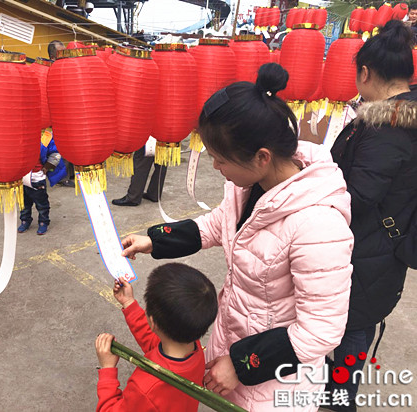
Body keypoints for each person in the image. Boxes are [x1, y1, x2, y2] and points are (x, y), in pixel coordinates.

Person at [119, 64, 354, 411]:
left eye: (220, 160)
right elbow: (217, 225)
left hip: (277, 380)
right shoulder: (251, 185)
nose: (216, 169)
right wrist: (154, 241)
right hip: (234, 341)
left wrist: (242, 365)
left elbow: (320, 329)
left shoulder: (319, 226)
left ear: (262, 157)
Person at [327, 20, 417, 412]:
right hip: (384, 242)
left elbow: (359, 194)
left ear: (365, 72)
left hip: (368, 248)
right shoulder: (401, 116)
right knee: (356, 323)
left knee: (352, 326)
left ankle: (339, 401)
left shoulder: (387, 127)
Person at [94, 263, 218, 411]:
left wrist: (107, 369)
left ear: (152, 322)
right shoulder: (193, 347)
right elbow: (152, 341)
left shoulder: (145, 388)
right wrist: (129, 303)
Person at [18, 129, 66, 235]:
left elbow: (55, 154)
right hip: (21, 177)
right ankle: (25, 220)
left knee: (42, 203)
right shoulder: (17, 133)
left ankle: (43, 222)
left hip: (37, 177)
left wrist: (47, 167)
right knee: (23, 203)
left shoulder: (46, 136)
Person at [47, 39, 75, 188]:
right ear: (53, 57)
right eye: (61, 53)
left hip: (68, 113)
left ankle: (69, 174)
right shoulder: (50, 71)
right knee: (58, 147)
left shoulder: (66, 69)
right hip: (56, 115)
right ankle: (60, 177)